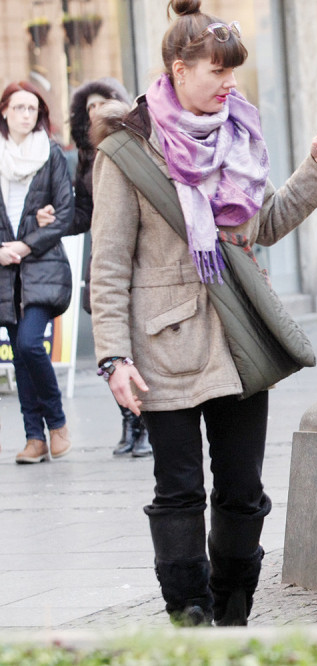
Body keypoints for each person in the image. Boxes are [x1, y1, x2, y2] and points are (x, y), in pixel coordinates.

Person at [88, 0, 317, 626]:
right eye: (217, 71)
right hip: (162, 347)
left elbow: (265, 224)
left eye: (233, 71)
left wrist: (316, 171)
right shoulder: (126, 152)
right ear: (179, 70)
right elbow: (110, 266)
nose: (230, 83)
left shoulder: (239, 137)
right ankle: (189, 614)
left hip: (238, 341)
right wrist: (113, 357)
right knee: (178, 491)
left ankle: (232, 611)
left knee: (242, 492)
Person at [38, 77, 149, 458]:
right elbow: (83, 213)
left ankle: (147, 424)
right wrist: (55, 219)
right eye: (89, 108)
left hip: (141, 258)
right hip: (104, 258)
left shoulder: (136, 143)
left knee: (142, 345)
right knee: (112, 347)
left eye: (102, 104)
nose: (96, 112)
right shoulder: (88, 154)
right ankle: (129, 421)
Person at [0, 81, 75, 465]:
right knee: (19, 354)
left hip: (42, 267)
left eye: (33, 109)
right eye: (19, 107)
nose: (26, 115)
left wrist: (26, 245)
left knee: (30, 344)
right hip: (5, 272)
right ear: (4, 111)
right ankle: (34, 437)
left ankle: (57, 423)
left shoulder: (50, 154)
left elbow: (65, 213)